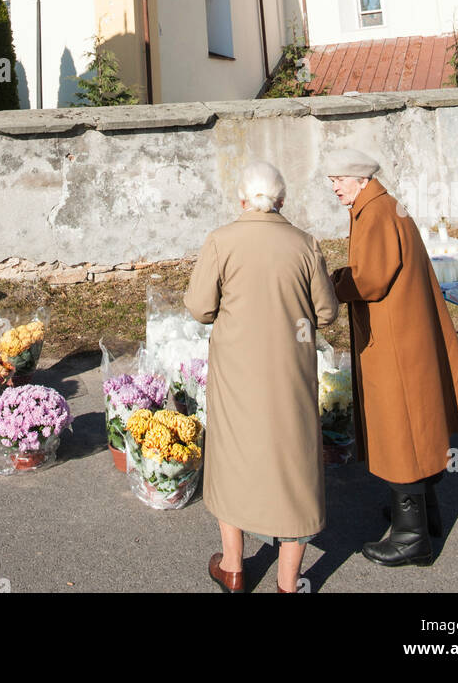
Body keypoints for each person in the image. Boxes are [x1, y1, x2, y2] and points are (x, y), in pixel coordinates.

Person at [326, 147, 458, 566]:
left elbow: (372, 281)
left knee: (401, 430)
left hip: (395, 339)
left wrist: (331, 285)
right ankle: (421, 516)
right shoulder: (380, 206)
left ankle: (412, 538)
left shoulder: (376, 212)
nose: (335, 187)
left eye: (340, 179)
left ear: (362, 179)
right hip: (404, 333)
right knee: (415, 424)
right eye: (332, 180)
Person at [184, 159, 339, 594]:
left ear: (241, 200)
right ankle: (288, 584)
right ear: (282, 200)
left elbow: (200, 308)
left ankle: (233, 567)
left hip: (236, 369)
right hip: (291, 369)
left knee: (232, 454)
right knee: (293, 461)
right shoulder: (305, 244)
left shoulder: (221, 241)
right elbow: (326, 312)